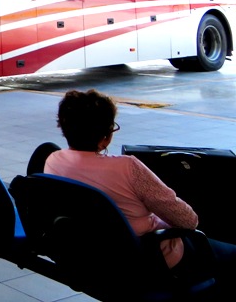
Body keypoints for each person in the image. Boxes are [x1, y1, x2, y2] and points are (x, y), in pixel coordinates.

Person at [45, 89, 236, 287]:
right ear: (105, 137)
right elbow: (188, 221)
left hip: (91, 255)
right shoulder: (127, 167)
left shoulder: (53, 161)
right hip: (148, 257)